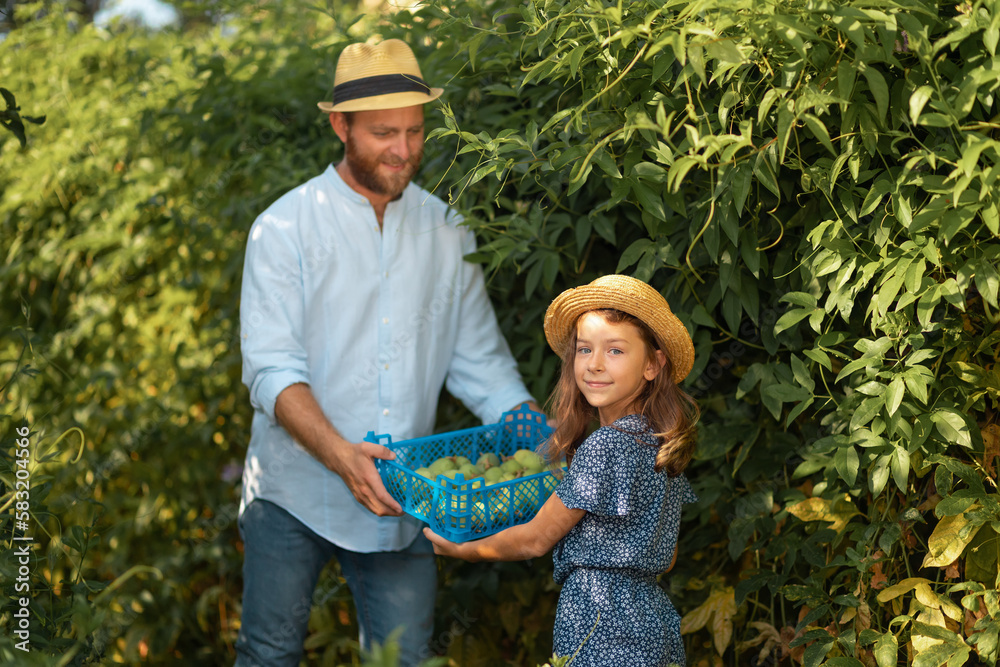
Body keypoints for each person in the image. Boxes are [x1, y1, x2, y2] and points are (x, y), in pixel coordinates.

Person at [235, 38, 537, 667]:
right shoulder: (284, 227)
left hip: (404, 499)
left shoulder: (448, 231)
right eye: (382, 133)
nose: (403, 150)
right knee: (269, 654)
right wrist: (342, 455)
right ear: (339, 125)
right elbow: (270, 369)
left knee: (404, 660)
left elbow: (479, 360)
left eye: (414, 131)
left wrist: (540, 432)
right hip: (292, 492)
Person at [424, 274, 700, 666]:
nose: (595, 364)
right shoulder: (658, 445)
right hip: (653, 626)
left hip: (602, 628)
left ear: (653, 365)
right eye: (584, 349)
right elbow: (666, 555)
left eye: (616, 351)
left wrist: (467, 550)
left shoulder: (606, 445)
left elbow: (535, 540)